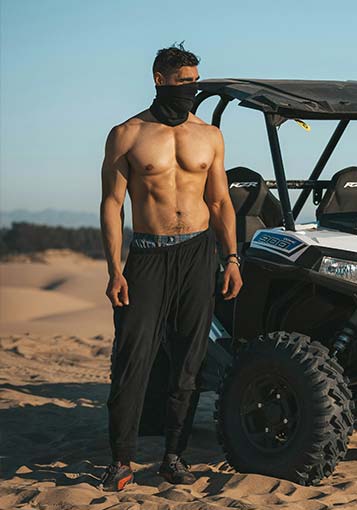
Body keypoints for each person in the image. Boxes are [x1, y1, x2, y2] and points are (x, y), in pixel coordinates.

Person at [98, 44, 242, 491]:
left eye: (195, 81)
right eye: (184, 82)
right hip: (148, 255)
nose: (191, 90)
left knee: (189, 360)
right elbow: (112, 203)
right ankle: (121, 460)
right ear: (160, 80)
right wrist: (115, 269)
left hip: (197, 254)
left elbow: (219, 202)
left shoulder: (209, 136)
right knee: (132, 359)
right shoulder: (127, 134)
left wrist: (232, 258)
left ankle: (173, 457)